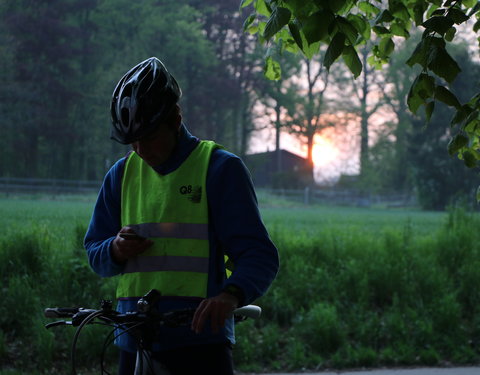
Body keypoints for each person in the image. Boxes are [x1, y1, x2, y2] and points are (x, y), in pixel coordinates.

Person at [84, 57, 279, 375]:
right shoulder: (120, 174)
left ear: (175, 119)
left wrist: (230, 295)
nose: (139, 148)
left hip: (199, 341)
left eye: (147, 136)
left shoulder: (218, 169)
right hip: (133, 341)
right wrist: (115, 249)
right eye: (131, 140)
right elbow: (95, 250)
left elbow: (259, 255)